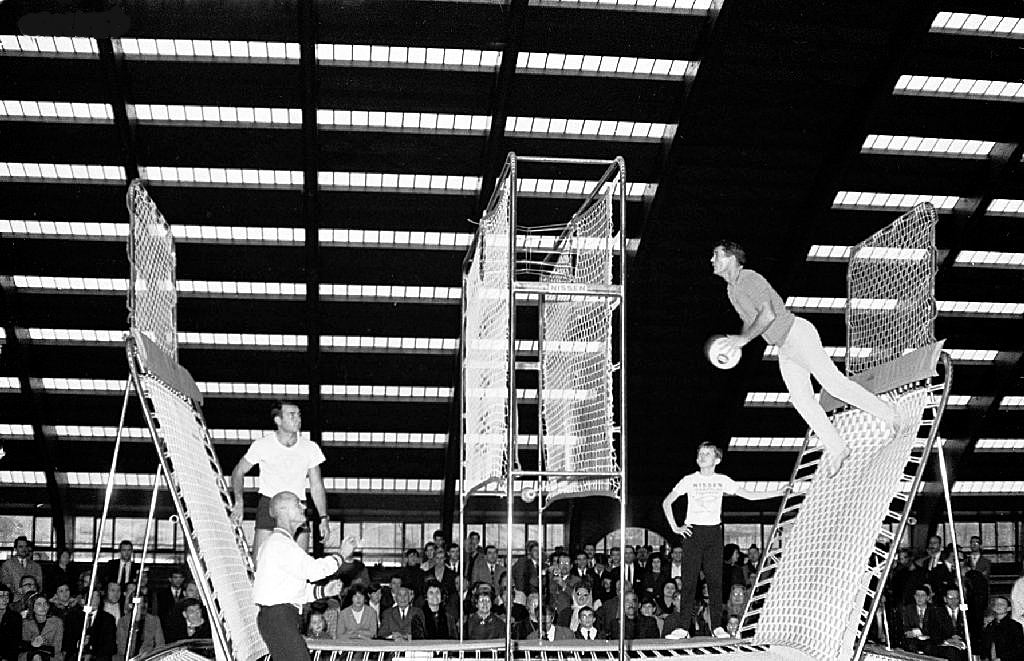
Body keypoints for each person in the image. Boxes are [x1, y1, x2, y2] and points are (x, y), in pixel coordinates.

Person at [711, 240, 898, 476]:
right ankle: (838, 449)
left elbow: (767, 314)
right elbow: (751, 320)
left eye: (716, 255)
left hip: (797, 334)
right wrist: (735, 342)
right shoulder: (732, 290)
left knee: (834, 384)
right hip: (784, 346)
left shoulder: (749, 278)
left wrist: (744, 340)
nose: (712, 260)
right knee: (802, 400)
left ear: (731, 258)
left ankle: (890, 415)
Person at [662, 442, 787, 631]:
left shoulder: (723, 480)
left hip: (713, 533)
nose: (702, 456)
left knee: (715, 582)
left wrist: (779, 492)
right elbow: (667, 502)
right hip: (693, 533)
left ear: (717, 460)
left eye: (707, 454)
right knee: (689, 582)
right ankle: (682, 628)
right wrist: (675, 527)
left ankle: (717, 627)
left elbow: (750, 496)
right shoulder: (689, 480)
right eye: (700, 453)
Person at [252, 491, 356, 661]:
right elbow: (313, 570)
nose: (304, 506)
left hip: (279, 618)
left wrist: (323, 591)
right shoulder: (280, 544)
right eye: (297, 504)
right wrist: (341, 556)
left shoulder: (278, 544)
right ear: (283, 510)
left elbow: (293, 589)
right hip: (280, 618)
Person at [230, 400, 330, 562]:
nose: (298, 419)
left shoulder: (310, 448)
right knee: (261, 563)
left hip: (298, 507)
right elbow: (238, 471)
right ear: (278, 420)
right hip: (269, 504)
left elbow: (316, 485)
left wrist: (323, 517)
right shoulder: (262, 445)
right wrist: (239, 503)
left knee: (299, 564)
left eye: (299, 415)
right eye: (292, 415)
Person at [114, 594, 165, 661]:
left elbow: (160, 645)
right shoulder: (123, 622)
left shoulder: (154, 620)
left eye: (144, 602)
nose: (143, 605)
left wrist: (148, 656)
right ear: (131, 605)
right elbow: (122, 648)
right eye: (139, 604)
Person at [979, 595, 1024, 661]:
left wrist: (1002, 658)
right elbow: (984, 646)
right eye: (996, 604)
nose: (998, 606)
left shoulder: (1015, 626)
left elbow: (1020, 649)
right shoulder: (990, 626)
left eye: (1002, 604)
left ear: (1009, 608)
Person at [20, 593, 63, 661]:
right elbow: (24, 646)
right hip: (31, 654)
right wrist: (32, 644)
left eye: (45, 604)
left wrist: (40, 645)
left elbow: (57, 648)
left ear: (48, 606)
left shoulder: (57, 622)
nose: (43, 607)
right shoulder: (25, 623)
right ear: (32, 607)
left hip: (51, 655)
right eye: (39, 604)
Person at [899, 585, 938, 655]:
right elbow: (905, 627)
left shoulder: (934, 610)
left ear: (928, 597)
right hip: (912, 641)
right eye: (917, 595)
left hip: (929, 641)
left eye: (923, 595)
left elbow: (934, 628)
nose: (919, 598)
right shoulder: (907, 609)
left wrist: (917, 632)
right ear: (914, 596)